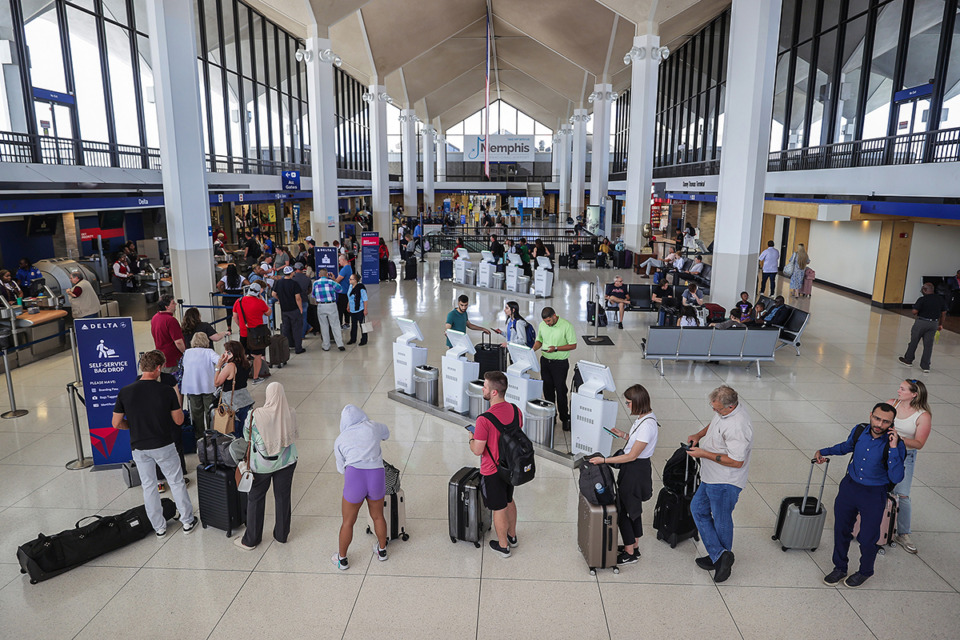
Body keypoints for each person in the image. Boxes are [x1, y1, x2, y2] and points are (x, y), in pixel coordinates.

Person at [815, 402, 905, 588]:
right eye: (877, 418)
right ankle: (839, 567)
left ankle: (865, 571)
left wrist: (894, 447)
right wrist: (824, 452)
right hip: (849, 487)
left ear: (892, 423)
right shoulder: (860, 430)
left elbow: (897, 476)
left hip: (874, 493)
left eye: (886, 422)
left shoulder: (896, 445)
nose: (880, 424)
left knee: (867, 537)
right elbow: (846, 446)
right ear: (871, 415)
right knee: (841, 529)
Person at [112, 350, 197, 536]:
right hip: (163, 443)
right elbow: (179, 420)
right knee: (176, 482)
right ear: (158, 368)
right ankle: (187, 522)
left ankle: (159, 527)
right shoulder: (166, 391)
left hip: (139, 446)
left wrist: (133, 426)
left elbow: (116, 423)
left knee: (149, 486)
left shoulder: (125, 392)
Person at [686, 385, 753, 583]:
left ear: (731, 407)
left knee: (721, 518)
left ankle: (722, 560)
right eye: (713, 408)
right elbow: (715, 423)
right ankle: (719, 555)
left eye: (718, 409)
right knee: (697, 508)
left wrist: (703, 453)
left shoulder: (738, 426)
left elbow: (737, 461)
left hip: (726, 481)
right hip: (711, 476)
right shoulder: (723, 413)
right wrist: (699, 435)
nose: (715, 411)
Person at [589, 384, 658, 565]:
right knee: (632, 510)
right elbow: (637, 443)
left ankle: (629, 551)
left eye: (628, 403)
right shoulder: (643, 419)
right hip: (634, 469)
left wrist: (605, 461)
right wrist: (624, 435)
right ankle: (634, 545)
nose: (627, 406)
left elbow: (632, 455)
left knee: (623, 511)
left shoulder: (647, 426)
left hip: (635, 471)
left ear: (637, 402)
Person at [234, 382, 299, 550]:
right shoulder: (290, 412)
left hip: (261, 466)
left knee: (255, 499)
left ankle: (251, 539)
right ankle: (281, 535)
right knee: (283, 498)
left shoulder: (255, 415)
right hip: (286, 463)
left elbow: (246, 435)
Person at [468, 371, 521, 558]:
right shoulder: (516, 410)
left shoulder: (484, 420)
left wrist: (471, 438)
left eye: (485, 387)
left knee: (498, 507)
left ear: (494, 393)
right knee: (509, 500)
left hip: (492, 470)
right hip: (511, 467)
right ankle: (512, 535)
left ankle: (503, 545)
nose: (483, 388)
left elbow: (477, 450)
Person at [332, 404, 390, 570]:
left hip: (355, 477)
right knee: (378, 516)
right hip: (376, 475)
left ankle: (342, 560)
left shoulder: (340, 439)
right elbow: (387, 433)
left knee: (348, 522)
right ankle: (382, 550)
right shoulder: (373, 426)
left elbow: (340, 468)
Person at [885, 379, 932, 554]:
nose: (898, 391)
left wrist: (899, 439)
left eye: (902, 389)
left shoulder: (923, 415)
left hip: (905, 455)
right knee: (876, 487)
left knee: (902, 495)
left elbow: (919, 443)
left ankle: (903, 533)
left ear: (914, 394)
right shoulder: (891, 404)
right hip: (885, 451)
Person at [532, 307, 577, 431]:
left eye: (549, 321)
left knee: (561, 391)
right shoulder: (542, 325)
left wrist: (556, 348)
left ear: (554, 316)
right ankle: (552, 416)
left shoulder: (567, 326)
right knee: (548, 390)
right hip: (545, 361)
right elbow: (539, 340)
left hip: (560, 363)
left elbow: (573, 345)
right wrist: (532, 350)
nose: (547, 323)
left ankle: (564, 418)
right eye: (545, 321)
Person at [899, 282, 948, 373]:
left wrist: (916, 310)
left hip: (921, 322)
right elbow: (944, 313)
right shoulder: (940, 299)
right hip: (934, 323)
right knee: (928, 345)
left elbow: (914, 311)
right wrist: (940, 324)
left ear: (925, 290)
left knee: (914, 341)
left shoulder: (922, 299)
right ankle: (926, 366)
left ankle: (908, 360)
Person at [179, 332, 220, 436]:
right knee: (209, 411)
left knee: (196, 413)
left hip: (192, 387)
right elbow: (220, 361)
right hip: (208, 386)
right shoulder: (209, 352)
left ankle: (199, 437)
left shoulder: (187, 352)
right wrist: (216, 370)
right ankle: (211, 435)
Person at [214, 340, 256, 438]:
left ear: (232, 353)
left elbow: (216, 382)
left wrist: (218, 367)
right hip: (245, 400)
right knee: (245, 431)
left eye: (227, 352)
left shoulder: (230, 366)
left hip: (232, 403)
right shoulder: (246, 364)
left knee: (234, 432)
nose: (224, 354)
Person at [233, 283, 271, 383]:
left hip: (244, 333)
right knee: (257, 356)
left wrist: (241, 326)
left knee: (244, 355)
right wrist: (262, 300)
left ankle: (243, 377)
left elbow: (235, 316)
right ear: (258, 292)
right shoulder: (260, 302)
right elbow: (268, 313)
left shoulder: (239, 301)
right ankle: (255, 377)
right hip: (257, 334)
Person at [272, 266, 305, 354]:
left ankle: (286, 348)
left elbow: (273, 293)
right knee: (296, 329)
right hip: (294, 309)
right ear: (291, 273)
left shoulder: (278, 282)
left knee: (286, 329)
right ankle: (298, 348)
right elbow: (298, 298)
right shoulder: (294, 283)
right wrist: (300, 308)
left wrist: (280, 299)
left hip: (284, 309)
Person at [151, 295, 185, 375]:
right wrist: (185, 353)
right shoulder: (171, 320)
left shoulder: (155, 318)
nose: (175, 304)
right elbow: (178, 342)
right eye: (173, 303)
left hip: (160, 358)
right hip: (172, 360)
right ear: (167, 307)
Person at [313, 268, 345, 351]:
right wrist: (334, 279)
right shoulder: (331, 282)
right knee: (335, 325)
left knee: (324, 326)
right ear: (327, 275)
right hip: (331, 305)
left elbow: (313, 295)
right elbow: (340, 289)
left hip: (321, 306)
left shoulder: (315, 283)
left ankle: (326, 345)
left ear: (319, 275)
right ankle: (340, 344)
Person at [217, 264, 248, 332]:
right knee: (240, 312)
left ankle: (229, 328)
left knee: (228, 313)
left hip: (228, 296)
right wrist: (243, 291)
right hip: (238, 295)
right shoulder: (240, 277)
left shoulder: (225, 278)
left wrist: (222, 292)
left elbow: (218, 285)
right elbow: (248, 284)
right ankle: (241, 327)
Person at [291, 262, 313, 343]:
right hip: (304, 299)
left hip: (295, 300)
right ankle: (303, 334)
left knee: (295, 318)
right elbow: (310, 289)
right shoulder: (307, 278)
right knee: (304, 317)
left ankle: (302, 331)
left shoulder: (292, 278)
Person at [346, 273, 368, 346]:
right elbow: (349, 297)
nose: (349, 280)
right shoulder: (350, 286)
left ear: (355, 280)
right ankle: (353, 339)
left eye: (351, 279)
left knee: (362, 325)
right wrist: (348, 305)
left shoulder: (361, 288)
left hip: (360, 309)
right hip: (352, 309)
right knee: (354, 325)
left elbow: (365, 299)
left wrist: (365, 309)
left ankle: (364, 340)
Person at [335, 254, 352, 330]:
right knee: (346, 308)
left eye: (339, 260)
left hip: (343, 292)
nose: (339, 262)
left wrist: (333, 280)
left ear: (343, 260)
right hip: (347, 291)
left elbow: (338, 280)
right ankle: (347, 323)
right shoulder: (349, 268)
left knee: (340, 309)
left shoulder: (344, 269)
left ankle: (339, 324)